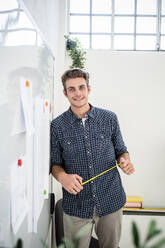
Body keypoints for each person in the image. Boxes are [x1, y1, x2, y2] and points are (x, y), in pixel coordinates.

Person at [51, 68, 135, 248]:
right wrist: (63, 177)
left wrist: (125, 161)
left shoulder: (109, 118)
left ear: (88, 89)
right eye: (71, 89)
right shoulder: (57, 126)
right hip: (76, 206)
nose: (77, 93)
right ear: (65, 93)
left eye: (81, 87)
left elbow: (122, 150)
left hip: (111, 200)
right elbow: (55, 164)